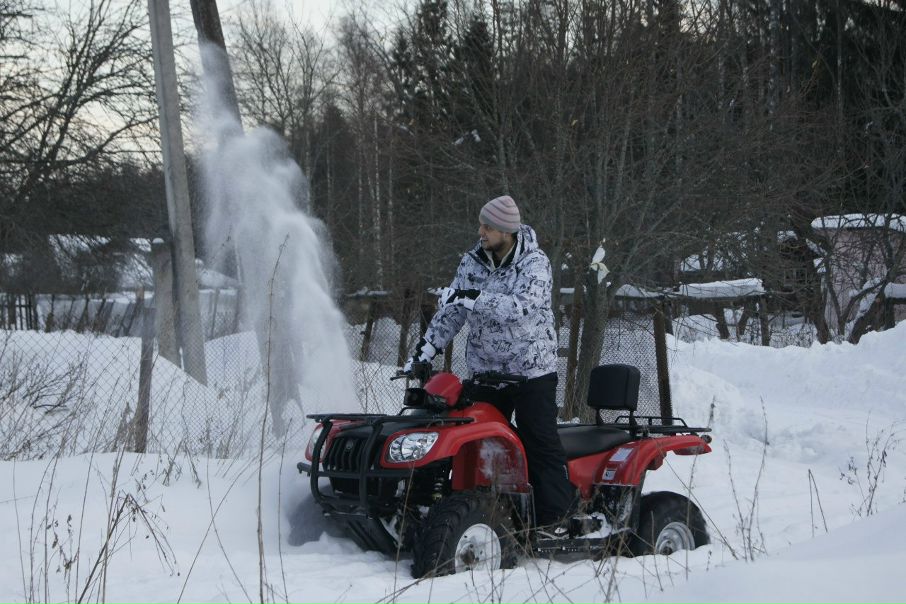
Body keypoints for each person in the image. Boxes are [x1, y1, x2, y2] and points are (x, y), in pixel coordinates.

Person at [403, 194, 575, 533]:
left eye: (487, 227)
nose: (480, 232)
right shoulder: (472, 262)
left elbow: (519, 308)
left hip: (530, 372)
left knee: (538, 441)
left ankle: (555, 519)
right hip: (486, 372)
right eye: (481, 225)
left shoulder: (534, 263)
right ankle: (461, 511)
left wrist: (471, 297)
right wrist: (426, 349)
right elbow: (453, 311)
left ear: (506, 231)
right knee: (465, 437)